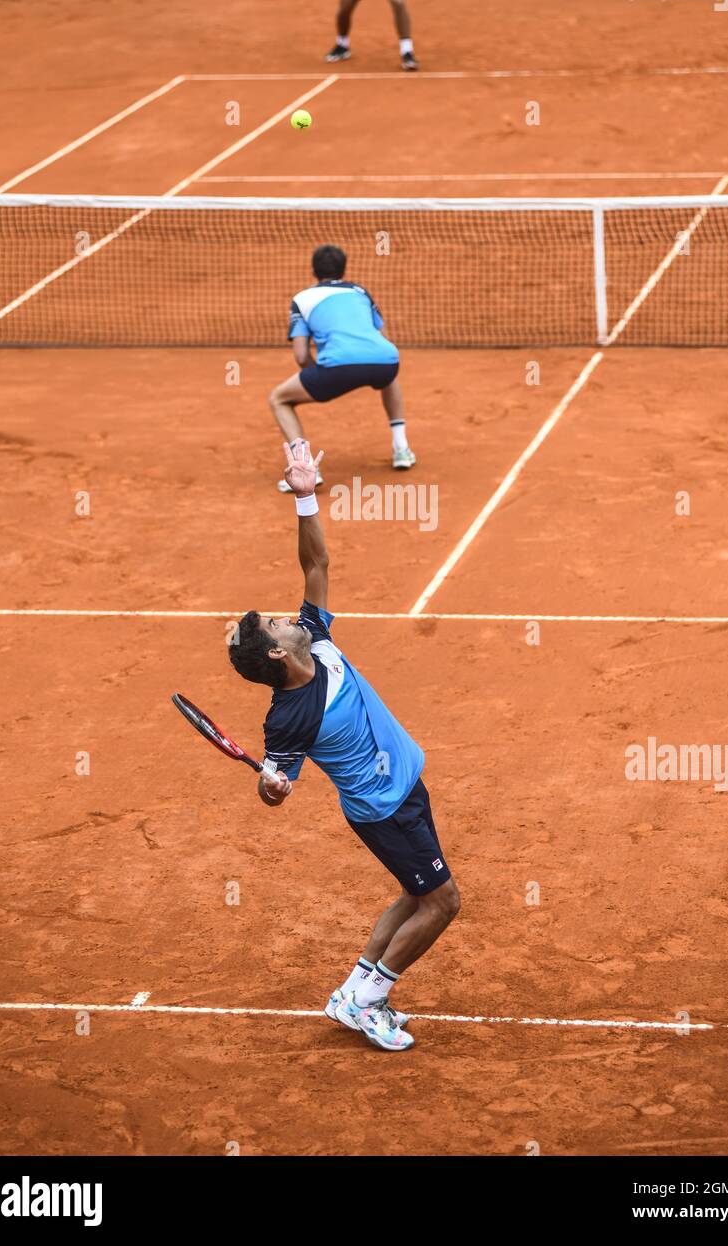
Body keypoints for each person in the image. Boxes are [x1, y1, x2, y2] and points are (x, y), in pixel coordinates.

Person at [229, 441, 460, 1052]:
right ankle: (370, 999)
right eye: (275, 626)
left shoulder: (316, 635)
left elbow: (316, 564)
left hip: (403, 787)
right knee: (441, 904)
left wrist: (305, 492)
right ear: (277, 654)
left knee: (415, 893)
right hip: (385, 809)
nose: (286, 618)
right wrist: (269, 786)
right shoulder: (288, 719)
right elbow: (274, 791)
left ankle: (352, 991)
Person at [269, 244, 416, 494]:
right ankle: (401, 449)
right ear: (343, 270)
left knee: (278, 399)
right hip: (386, 360)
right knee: (388, 374)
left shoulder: (302, 299)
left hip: (336, 368)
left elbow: (301, 355)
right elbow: (384, 339)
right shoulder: (360, 291)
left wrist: (321, 379)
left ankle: (306, 468)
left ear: (313, 271)